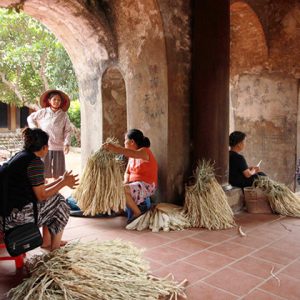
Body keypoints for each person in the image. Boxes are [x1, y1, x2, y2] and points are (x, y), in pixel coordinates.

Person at [0, 128, 78, 251]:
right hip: (16, 219)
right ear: (44, 147)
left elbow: (38, 190)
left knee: (54, 198)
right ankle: (55, 249)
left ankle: (46, 242)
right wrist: (63, 182)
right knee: (60, 203)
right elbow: (41, 195)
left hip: (7, 215)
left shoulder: (21, 156)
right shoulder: (35, 163)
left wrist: (61, 180)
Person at [102, 129, 158, 222]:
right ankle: (120, 209)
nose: (124, 142)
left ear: (132, 142)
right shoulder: (131, 157)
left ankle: (138, 214)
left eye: (125, 140)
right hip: (135, 185)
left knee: (122, 189)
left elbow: (132, 153)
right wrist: (125, 183)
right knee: (116, 187)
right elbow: (127, 172)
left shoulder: (144, 151)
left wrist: (114, 148)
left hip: (147, 186)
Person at [27, 90, 72, 179]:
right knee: (43, 171)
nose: (56, 102)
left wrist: (67, 143)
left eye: (59, 100)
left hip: (58, 146)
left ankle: (56, 191)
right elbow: (30, 118)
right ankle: (44, 190)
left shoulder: (64, 115)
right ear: (49, 101)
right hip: (44, 146)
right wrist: (34, 129)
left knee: (59, 173)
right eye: (54, 99)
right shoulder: (43, 112)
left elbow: (67, 130)